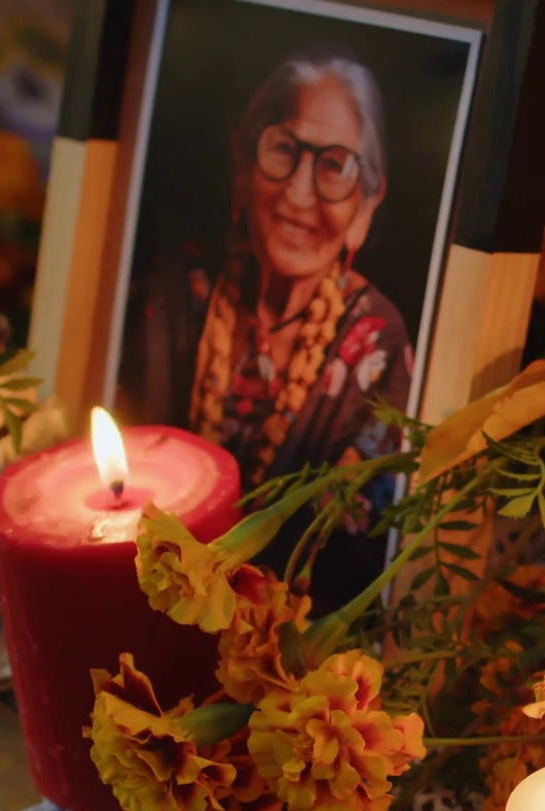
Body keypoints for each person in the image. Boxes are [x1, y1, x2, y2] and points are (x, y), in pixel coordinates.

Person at [124, 44, 412, 495]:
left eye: (333, 165)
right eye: (283, 148)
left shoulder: (379, 342)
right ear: (243, 168)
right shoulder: (174, 287)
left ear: (366, 205)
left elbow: (357, 526)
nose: (297, 195)